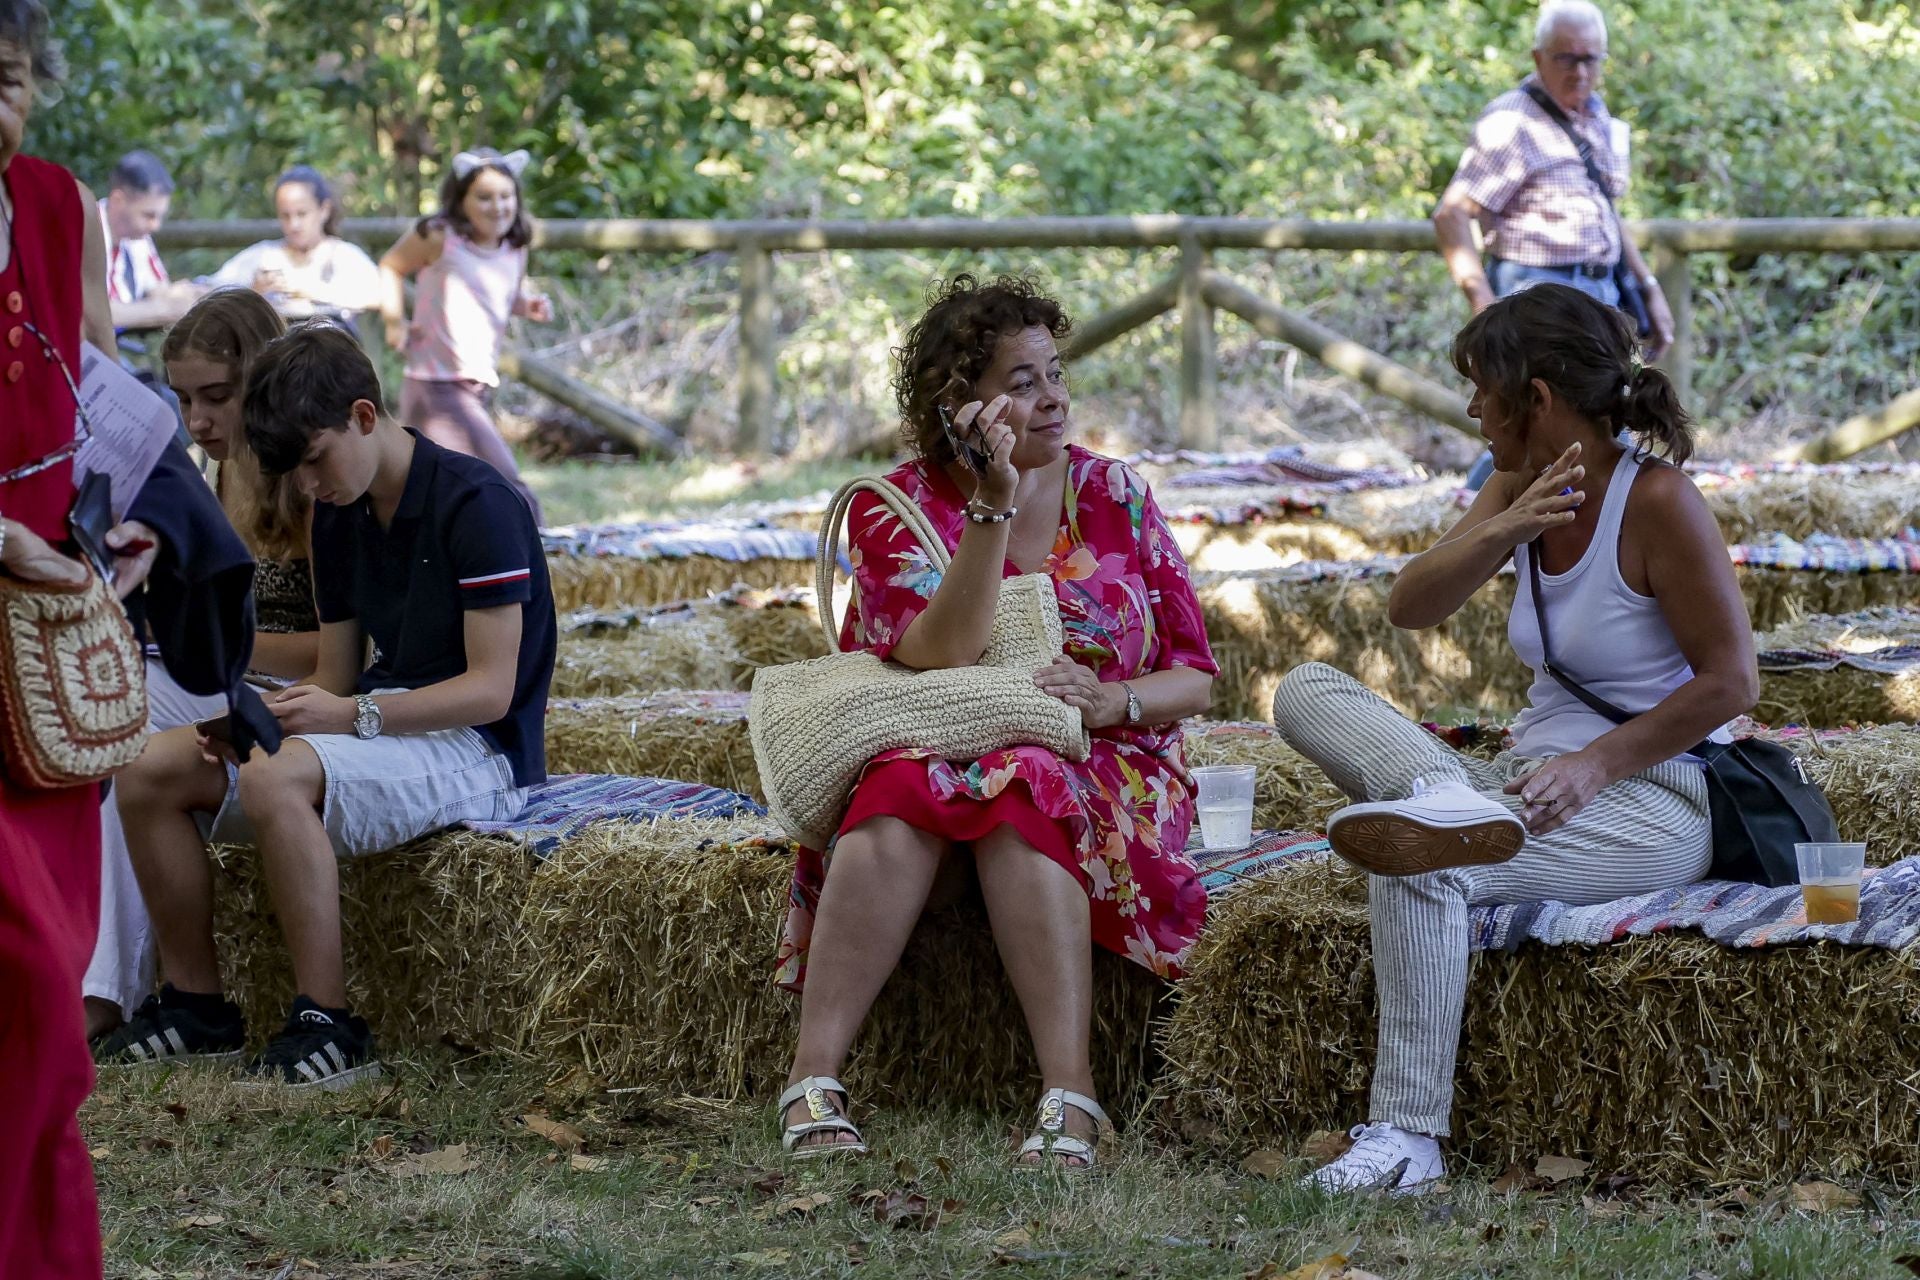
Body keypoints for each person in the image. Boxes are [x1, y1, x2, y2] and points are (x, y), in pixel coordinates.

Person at [1271, 283, 1757, 1195]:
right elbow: (1409, 607)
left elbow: (1732, 682)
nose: (1469, 409)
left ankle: (1409, 1139)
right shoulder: (1513, 485)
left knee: (1416, 858)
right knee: (1304, 687)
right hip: (1518, 786)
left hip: (1655, 797)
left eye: (1480, 390)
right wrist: (1505, 525)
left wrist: (1597, 763)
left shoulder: (1657, 502)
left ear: (1535, 397)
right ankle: (1445, 805)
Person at [772, 275, 1217, 1168]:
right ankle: (812, 1076)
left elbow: (1194, 678)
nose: (1052, 396)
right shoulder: (892, 507)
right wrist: (991, 502)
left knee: (1029, 775)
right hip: (938, 739)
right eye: (1021, 383)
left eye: (1055, 373)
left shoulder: (1116, 493)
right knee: (898, 786)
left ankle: (1072, 1092)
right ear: (959, 408)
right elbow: (942, 653)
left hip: (1104, 752)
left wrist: (1113, 700)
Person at [98, 323, 555, 1088]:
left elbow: (492, 691)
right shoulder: (340, 509)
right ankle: (197, 1006)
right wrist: (263, 717)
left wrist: (348, 719)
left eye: (315, 461)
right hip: (384, 727)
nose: (309, 486)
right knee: (148, 770)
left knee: (279, 777)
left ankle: (328, 1021)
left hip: (481, 747)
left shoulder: (481, 504)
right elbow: (337, 673)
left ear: (366, 415)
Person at [83, 287, 318, 1043]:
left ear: (265, 379)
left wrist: (200, 656)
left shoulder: (314, 480)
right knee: (86, 705)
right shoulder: (208, 475)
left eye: (217, 397)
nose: (197, 421)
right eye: (182, 400)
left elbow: (334, 654)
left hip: (287, 693)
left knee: (122, 725)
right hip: (219, 678)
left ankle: (104, 992)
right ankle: (73, 970)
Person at [1433, 1, 1673, 487]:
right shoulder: (1511, 121)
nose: (1580, 71)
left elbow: (1606, 211)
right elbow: (1451, 215)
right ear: (1538, 57)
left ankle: (1585, 534)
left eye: (1591, 59)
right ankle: (1478, 522)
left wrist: (1648, 286)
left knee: (1600, 424)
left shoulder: (1597, 116)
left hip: (1599, 292)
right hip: (1535, 289)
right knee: (1535, 428)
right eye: (1567, 58)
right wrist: (1485, 308)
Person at [378, 147, 551, 520]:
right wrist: (395, 322)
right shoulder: (440, 237)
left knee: (442, 493)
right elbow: (390, 266)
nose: (497, 207)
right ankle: (541, 562)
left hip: (477, 385)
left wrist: (527, 304)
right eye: (484, 197)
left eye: (505, 196)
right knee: (510, 489)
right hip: (435, 385)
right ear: (461, 200)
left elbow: (502, 293)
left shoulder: (514, 245)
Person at [208, 166, 382, 324]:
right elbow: (211, 288)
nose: (294, 225)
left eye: (302, 214)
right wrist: (253, 294)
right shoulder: (264, 255)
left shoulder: (344, 256)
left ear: (324, 210)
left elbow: (378, 296)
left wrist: (312, 291)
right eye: (286, 216)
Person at [98, 149, 203, 331]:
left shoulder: (138, 237)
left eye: (160, 216)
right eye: (148, 215)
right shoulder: (83, 231)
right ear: (118, 200)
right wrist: (165, 308)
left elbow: (158, 289)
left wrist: (189, 295)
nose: (155, 226)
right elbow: (95, 313)